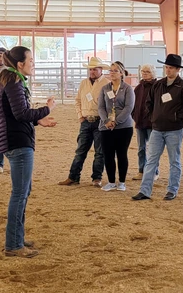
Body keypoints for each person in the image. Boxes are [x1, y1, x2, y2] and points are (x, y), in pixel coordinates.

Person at [0, 46, 57, 258]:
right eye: (30, 60)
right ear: (20, 64)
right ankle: (13, 244)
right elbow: (21, 113)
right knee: (20, 194)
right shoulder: (13, 81)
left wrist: (38, 120)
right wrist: (46, 109)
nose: (33, 64)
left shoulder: (10, 80)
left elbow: (15, 114)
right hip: (18, 143)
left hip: (16, 140)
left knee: (22, 192)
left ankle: (16, 238)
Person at [132, 54, 183, 201]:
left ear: (178, 69)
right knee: (151, 160)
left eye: (171, 68)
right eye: (166, 67)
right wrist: (153, 116)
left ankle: (172, 190)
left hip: (174, 129)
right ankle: (145, 190)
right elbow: (149, 102)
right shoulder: (158, 85)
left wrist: (175, 117)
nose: (168, 70)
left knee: (174, 160)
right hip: (157, 129)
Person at [60, 57, 109, 187]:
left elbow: (111, 104)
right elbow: (78, 100)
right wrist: (80, 115)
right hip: (86, 120)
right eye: (91, 69)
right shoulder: (83, 83)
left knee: (100, 151)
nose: (92, 71)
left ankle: (96, 178)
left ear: (100, 70)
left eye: (95, 69)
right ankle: (73, 176)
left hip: (100, 121)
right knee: (81, 150)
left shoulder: (107, 84)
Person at [98, 61, 135, 192]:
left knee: (121, 154)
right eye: (111, 70)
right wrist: (107, 121)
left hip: (124, 127)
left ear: (121, 73)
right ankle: (111, 181)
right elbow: (101, 107)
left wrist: (116, 121)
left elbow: (129, 107)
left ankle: (122, 182)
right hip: (106, 127)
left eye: (115, 71)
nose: (112, 73)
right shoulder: (105, 88)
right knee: (108, 155)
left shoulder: (128, 89)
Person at [131, 65, 158, 180]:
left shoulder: (157, 87)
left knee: (153, 149)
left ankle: (154, 172)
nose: (145, 73)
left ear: (153, 73)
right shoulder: (138, 88)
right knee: (141, 148)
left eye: (147, 71)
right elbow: (133, 104)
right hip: (140, 122)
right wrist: (135, 116)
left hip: (152, 123)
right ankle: (141, 170)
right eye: (143, 71)